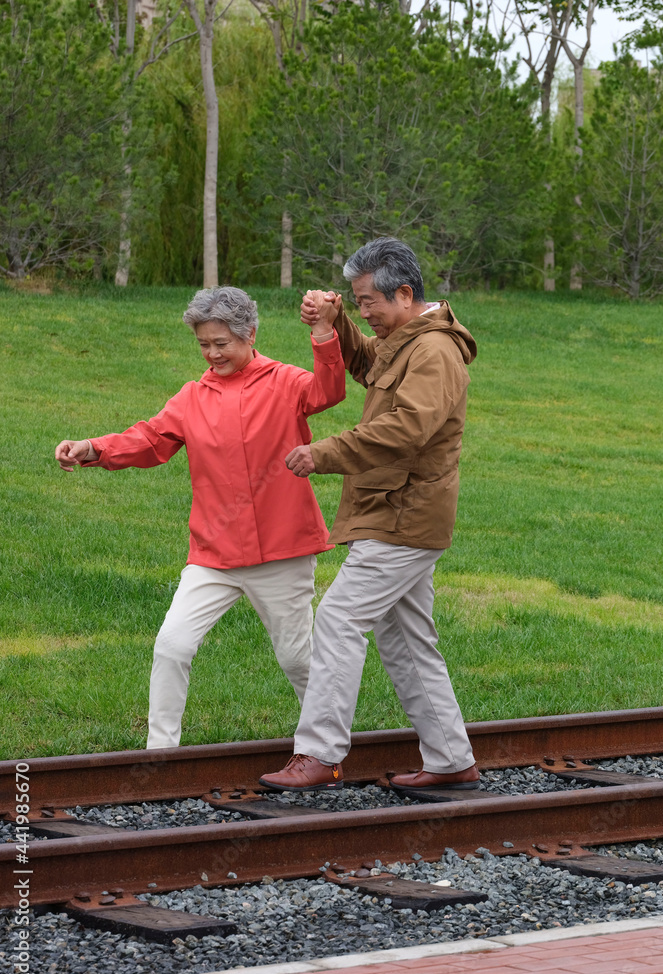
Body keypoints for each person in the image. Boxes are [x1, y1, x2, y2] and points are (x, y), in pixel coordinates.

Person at [54, 286, 345, 748]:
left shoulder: (286, 382)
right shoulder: (192, 397)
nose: (211, 354)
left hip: (284, 550)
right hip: (213, 555)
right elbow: (150, 441)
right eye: (203, 345)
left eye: (220, 344)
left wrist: (324, 332)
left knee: (297, 660)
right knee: (172, 645)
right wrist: (93, 448)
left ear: (249, 334)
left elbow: (329, 390)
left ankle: (325, 750)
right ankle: (160, 755)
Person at [259, 237, 479, 793]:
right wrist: (336, 324)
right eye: (356, 302)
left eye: (366, 303)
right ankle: (452, 759)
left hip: (404, 516)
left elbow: (408, 427)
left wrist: (325, 453)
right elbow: (369, 366)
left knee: (338, 620)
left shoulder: (434, 352)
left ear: (404, 294)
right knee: (406, 640)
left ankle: (319, 754)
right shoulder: (407, 339)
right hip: (394, 511)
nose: (365, 313)